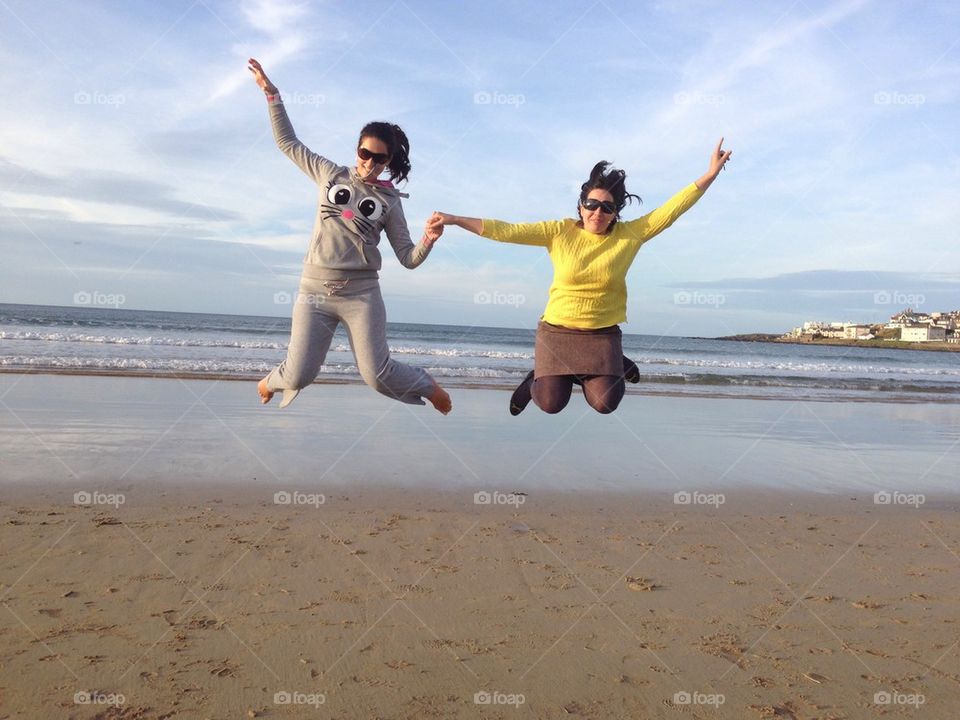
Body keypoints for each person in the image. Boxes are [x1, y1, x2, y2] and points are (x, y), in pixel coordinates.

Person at [432, 141, 731, 415]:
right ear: (580, 206)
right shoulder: (559, 232)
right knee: (551, 404)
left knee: (604, 404)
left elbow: (671, 210)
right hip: (557, 332)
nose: (597, 212)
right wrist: (456, 219)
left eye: (607, 207)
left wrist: (709, 175)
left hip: (601, 335)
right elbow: (507, 231)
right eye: (591, 204)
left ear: (615, 214)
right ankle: (535, 377)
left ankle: (613, 361)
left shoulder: (630, 236)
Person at [247, 58, 451, 414]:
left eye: (379, 158)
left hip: (362, 294)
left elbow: (408, 258)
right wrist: (272, 95)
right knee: (297, 375)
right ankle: (269, 382)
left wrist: (428, 241)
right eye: (364, 154)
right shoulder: (329, 173)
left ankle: (429, 387)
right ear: (357, 149)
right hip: (314, 290)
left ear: (389, 161)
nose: (369, 163)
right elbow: (287, 142)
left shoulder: (389, 202)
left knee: (377, 375)